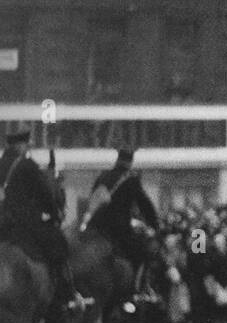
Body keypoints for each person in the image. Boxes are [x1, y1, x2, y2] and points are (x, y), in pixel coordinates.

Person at [0, 130, 75, 306]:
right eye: (27, 145)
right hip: (24, 223)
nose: (28, 149)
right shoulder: (27, 165)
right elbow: (44, 193)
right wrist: (54, 213)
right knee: (58, 245)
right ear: (21, 145)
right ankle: (64, 294)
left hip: (2, 222)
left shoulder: (1, 164)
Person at [83, 149, 160, 273]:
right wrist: (155, 225)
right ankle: (135, 283)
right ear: (130, 162)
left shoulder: (103, 176)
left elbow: (93, 198)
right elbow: (145, 205)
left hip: (96, 227)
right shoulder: (131, 179)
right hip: (118, 230)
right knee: (141, 253)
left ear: (117, 159)